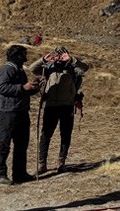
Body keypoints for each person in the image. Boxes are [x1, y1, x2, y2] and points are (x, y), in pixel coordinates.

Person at [29, 46, 88, 174]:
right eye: (57, 54)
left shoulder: (72, 68)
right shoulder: (48, 68)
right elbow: (32, 68)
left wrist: (71, 59)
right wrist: (44, 59)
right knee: (46, 135)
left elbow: (85, 69)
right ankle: (42, 164)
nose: (59, 57)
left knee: (65, 135)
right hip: (50, 106)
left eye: (62, 54)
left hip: (67, 106)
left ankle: (61, 162)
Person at [0, 45, 43, 185]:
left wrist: (34, 88)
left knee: (21, 143)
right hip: (8, 112)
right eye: (24, 55)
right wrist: (23, 87)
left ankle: (20, 174)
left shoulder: (18, 70)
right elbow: (2, 88)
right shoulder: (6, 69)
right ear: (18, 56)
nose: (26, 58)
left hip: (21, 111)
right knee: (3, 142)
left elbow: (21, 91)